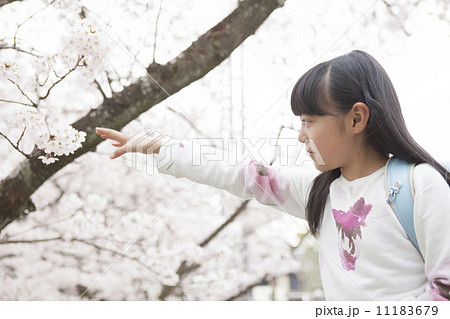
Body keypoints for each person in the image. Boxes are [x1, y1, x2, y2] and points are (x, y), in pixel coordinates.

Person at [95, 50, 450, 301]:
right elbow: (239, 174)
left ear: (356, 118)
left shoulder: (419, 185)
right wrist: (161, 148)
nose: (300, 135)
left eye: (309, 121)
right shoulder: (317, 193)